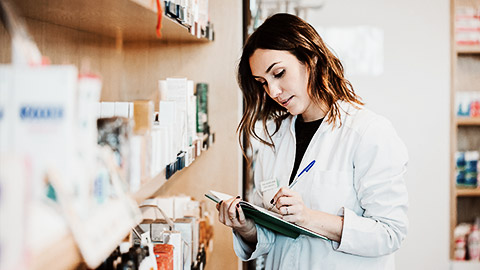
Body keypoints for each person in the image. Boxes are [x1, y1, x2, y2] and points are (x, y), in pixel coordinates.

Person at [216, 13, 408, 269]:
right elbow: (276, 235)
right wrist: (247, 228)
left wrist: (308, 218)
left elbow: (389, 233)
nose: (273, 92)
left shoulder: (368, 132)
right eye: (263, 83)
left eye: (279, 73)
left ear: (311, 59)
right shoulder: (275, 136)